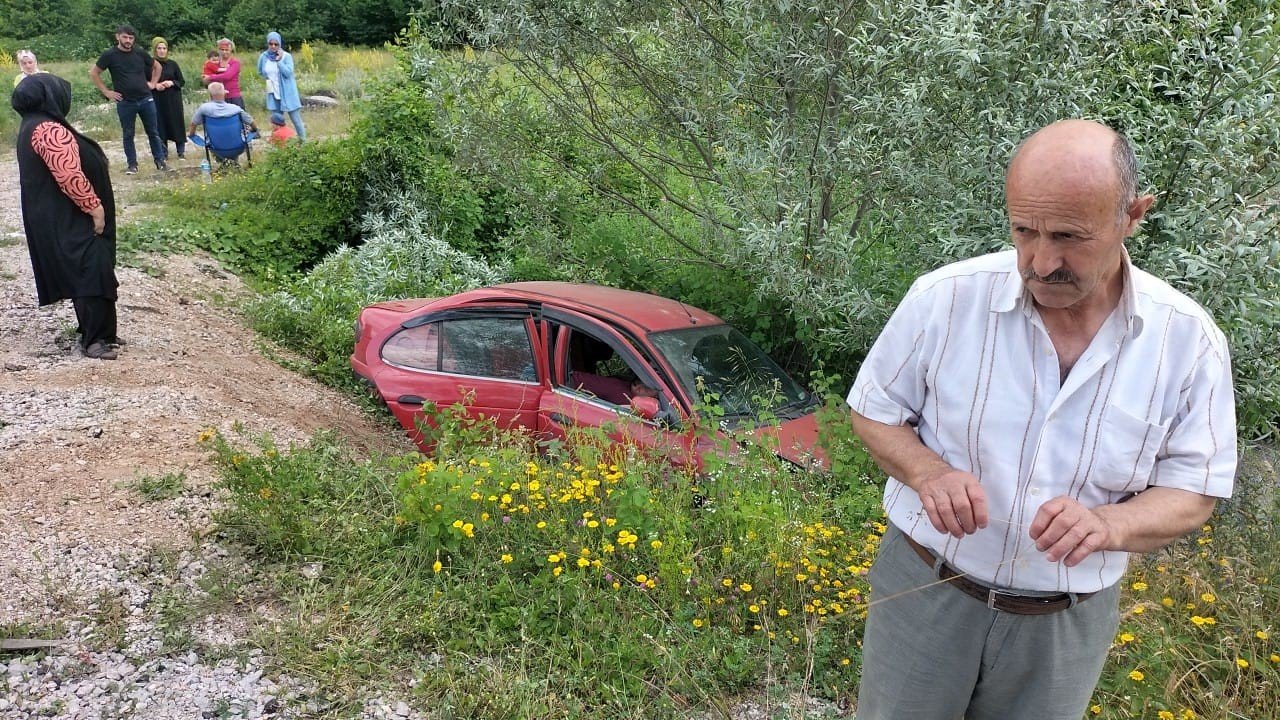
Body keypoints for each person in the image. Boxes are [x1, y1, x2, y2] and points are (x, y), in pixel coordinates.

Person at [846, 119, 1237, 720]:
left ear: (1132, 216)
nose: (1041, 259)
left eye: (1069, 236)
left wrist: (1109, 525)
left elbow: (1196, 489)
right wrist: (928, 473)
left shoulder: (1187, 341)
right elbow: (874, 412)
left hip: (1064, 626)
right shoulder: (943, 300)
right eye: (1024, 230)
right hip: (925, 594)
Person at [12, 74, 121, 360]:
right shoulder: (48, 128)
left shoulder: (31, 125)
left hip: (53, 214)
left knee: (86, 269)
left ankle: (98, 332)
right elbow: (69, 174)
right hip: (69, 214)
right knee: (91, 270)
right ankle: (95, 340)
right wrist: (94, 208)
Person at [90, 24, 169, 174]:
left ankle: (160, 161)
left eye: (131, 38)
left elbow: (157, 66)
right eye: (125, 37)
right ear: (117, 36)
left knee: (153, 131)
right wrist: (106, 92)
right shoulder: (109, 55)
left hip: (146, 99)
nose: (128, 40)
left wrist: (153, 83)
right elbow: (94, 73)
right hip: (125, 101)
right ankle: (132, 165)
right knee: (128, 134)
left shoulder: (139, 53)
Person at [188, 82, 259, 158]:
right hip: (238, 147)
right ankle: (233, 162)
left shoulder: (204, 109)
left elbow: (193, 124)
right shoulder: (236, 109)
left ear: (210, 95)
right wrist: (253, 130)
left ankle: (223, 163)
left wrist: (192, 135)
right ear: (224, 94)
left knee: (212, 141)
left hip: (215, 148)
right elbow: (252, 123)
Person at [257, 31, 306, 141]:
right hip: (273, 93)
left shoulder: (286, 56)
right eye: (271, 44)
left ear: (280, 44)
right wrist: (269, 79)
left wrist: (279, 61)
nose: (273, 46)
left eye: (276, 44)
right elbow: (260, 71)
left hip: (288, 93)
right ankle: (278, 144)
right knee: (276, 121)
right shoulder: (264, 57)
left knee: (296, 119)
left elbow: (288, 73)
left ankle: (304, 143)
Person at [150, 37, 187, 160]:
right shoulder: (150, 65)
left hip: (173, 99)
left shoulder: (173, 64)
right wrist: (156, 85)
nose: (162, 51)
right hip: (158, 99)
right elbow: (145, 82)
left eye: (164, 48)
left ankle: (181, 152)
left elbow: (181, 81)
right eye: (159, 48)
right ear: (155, 50)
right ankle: (163, 153)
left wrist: (171, 83)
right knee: (160, 125)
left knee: (177, 123)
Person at [203, 38, 243, 108]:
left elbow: (227, 76)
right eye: (222, 49)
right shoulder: (214, 63)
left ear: (231, 50)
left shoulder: (235, 63)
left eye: (226, 50)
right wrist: (206, 79)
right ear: (218, 50)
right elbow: (205, 77)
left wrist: (211, 77)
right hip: (217, 98)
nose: (224, 52)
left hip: (233, 96)